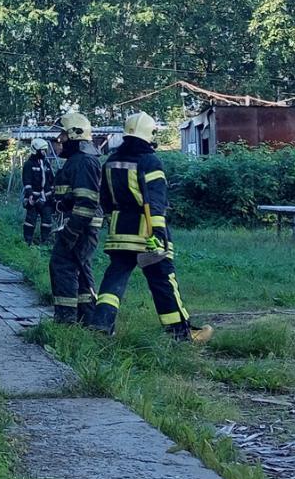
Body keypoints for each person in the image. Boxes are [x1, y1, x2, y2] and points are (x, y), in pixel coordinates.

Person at [86, 111, 211, 342]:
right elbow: (155, 203)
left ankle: (101, 324)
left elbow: (104, 199)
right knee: (163, 280)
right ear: (149, 133)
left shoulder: (111, 161)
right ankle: (182, 334)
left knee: (114, 277)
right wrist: (159, 235)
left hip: (119, 232)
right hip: (147, 235)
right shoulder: (150, 160)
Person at [47, 113, 102, 325]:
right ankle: (87, 319)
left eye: (62, 135)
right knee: (80, 270)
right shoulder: (78, 161)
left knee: (62, 266)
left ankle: (66, 320)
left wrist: (71, 231)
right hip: (78, 225)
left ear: (74, 134)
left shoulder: (83, 162)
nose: (58, 140)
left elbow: (87, 202)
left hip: (80, 227)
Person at [20, 138, 56, 245]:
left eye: (45, 150)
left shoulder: (46, 163)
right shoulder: (29, 165)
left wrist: (54, 191)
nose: (45, 152)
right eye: (42, 150)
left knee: (47, 221)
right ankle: (27, 242)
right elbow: (27, 182)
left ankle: (45, 242)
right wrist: (30, 195)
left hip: (47, 199)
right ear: (36, 150)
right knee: (30, 221)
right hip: (34, 199)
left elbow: (51, 179)